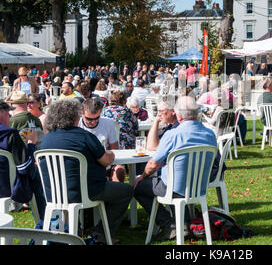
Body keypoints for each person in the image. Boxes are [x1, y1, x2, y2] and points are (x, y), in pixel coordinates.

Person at [41, 99, 133, 244]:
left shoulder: (47, 139)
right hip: (85, 192)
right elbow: (106, 160)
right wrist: (112, 154)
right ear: (75, 117)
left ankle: (76, 230)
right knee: (126, 191)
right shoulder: (84, 136)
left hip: (53, 193)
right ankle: (100, 234)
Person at [133, 96, 218, 241]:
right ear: (196, 113)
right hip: (199, 187)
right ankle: (183, 224)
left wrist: (143, 176)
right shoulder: (210, 134)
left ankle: (168, 224)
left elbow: (153, 164)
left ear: (178, 115)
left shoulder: (173, 135)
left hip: (174, 188)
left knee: (138, 187)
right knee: (172, 179)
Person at [0, 99, 46, 220]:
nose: (10, 117)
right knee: (38, 176)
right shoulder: (9, 134)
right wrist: (31, 144)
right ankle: (43, 223)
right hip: (8, 188)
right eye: (8, 114)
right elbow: (24, 168)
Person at [79, 98, 125, 183]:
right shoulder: (77, 124)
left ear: (100, 112)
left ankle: (114, 194)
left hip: (104, 163)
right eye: (89, 119)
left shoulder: (108, 123)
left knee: (120, 170)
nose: (93, 122)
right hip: (82, 166)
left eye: (96, 118)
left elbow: (114, 149)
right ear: (81, 113)